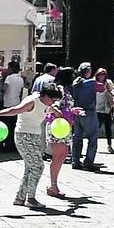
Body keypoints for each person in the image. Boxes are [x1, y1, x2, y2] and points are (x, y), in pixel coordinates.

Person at [0, 84, 62, 208]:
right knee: (38, 166)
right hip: (24, 136)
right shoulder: (31, 101)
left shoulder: (46, 103)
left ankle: (20, 197)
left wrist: (56, 112)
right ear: (44, 95)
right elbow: (14, 110)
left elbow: (49, 110)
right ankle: (31, 198)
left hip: (36, 136)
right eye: (52, 99)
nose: (53, 102)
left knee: (30, 167)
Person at [46, 68, 80, 198]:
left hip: (64, 125)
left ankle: (54, 184)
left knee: (63, 153)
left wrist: (73, 111)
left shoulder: (66, 90)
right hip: (58, 126)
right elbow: (52, 106)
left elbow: (65, 107)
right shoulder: (59, 89)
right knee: (59, 154)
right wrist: (61, 114)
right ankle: (53, 185)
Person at [68, 62, 100, 170]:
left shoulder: (75, 83)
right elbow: (102, 88)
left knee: (77, 138)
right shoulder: (91, 82)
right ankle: (89, 161)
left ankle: (75, 161)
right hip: (89, 112)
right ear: (89, 71)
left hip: (77, 112)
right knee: (92, 138)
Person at [0, 61, 25, 152]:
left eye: (8, 68)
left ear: (12, 69)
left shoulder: (9, 78)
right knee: (14, 126)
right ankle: (14, 145)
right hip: (17, 103)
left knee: (6, 126)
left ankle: (7, 145)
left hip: (8, 104)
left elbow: (3, 89)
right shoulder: (21, 78)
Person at [96, 67, 114, 152]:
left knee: (108, 127)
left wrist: (110, 90)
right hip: (96, 108)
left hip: (106, 107)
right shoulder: (94, 83)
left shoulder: (108, 83)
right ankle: (94, 144)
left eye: (103, 75)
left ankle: (109, 145)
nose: (101, 76)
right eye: (100, 74)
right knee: (97, 126)